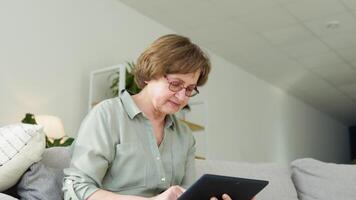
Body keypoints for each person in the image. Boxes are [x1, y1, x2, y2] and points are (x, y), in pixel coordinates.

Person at [62, 34, 233, 200]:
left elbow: (187, 195)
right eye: (175, 84)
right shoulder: (108, 115)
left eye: (189, 89)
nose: (182, 97)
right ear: (151, 73)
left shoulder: (185, 135)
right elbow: (77, 188)